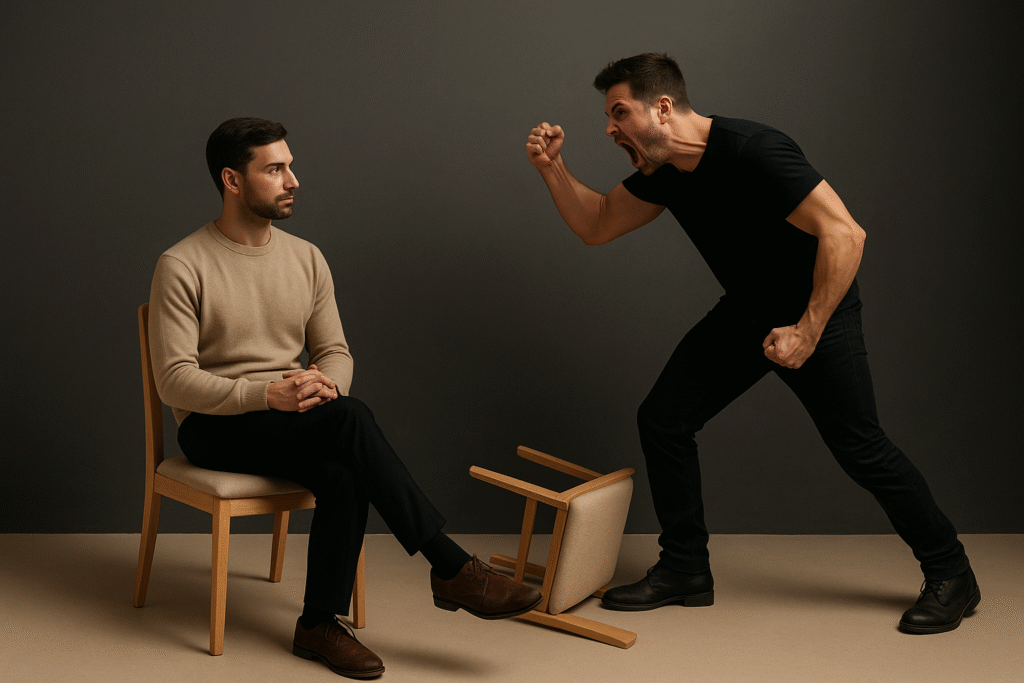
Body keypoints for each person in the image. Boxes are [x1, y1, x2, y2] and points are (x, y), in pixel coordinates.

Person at [525, 53, 979, 634]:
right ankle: (686, 569)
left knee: (860, 447)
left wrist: (808, 329)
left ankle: (952, 573)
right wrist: (552, 168)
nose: (609, 128)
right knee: (663, 419)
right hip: (748, 311)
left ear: (662, 107)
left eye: (619, 113)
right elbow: (597, 224)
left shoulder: (753, 149)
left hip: (819, 305)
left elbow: (845, 234)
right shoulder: (664, 171)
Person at [149, 117, 541, 679]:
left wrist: (327, 383)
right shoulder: (182, 264)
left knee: (343, 468)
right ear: (232, 181)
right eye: (276, 169)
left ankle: (316, 624)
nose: (294, 180)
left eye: (291, 165)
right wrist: (268, 394)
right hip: (217, 426)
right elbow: (175, 381)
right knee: (351, 422)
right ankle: (450, 566)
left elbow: (335, 351)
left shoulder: (306, 258)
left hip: (301, 417)